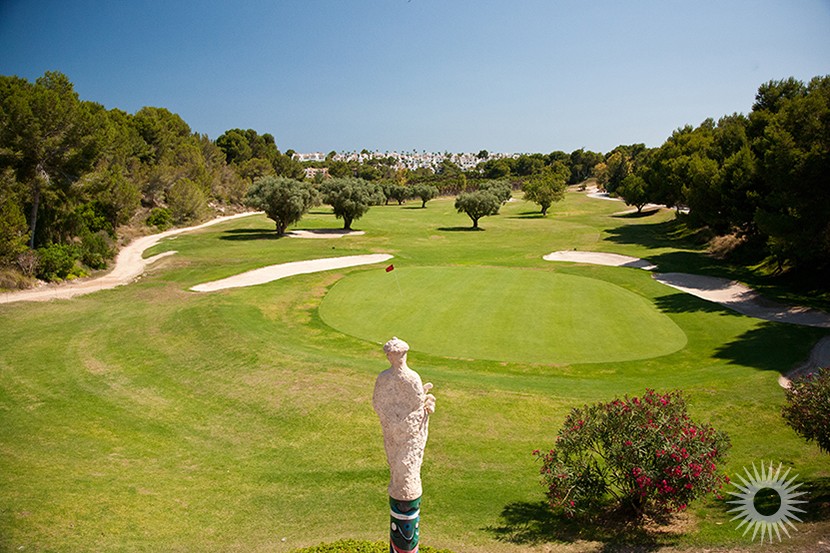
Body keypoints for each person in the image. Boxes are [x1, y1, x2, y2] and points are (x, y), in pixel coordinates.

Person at [373, 337, 436, 553]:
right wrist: (393, 421)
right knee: (398, 475)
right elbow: (378, 403)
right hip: (393, 435)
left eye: (398, 354)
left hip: (410, 438)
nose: (395, 358)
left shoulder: (412, 378)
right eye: (392, 354)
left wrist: (406, 421)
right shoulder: (384, 378)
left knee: (407, 476)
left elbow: (417, 407)